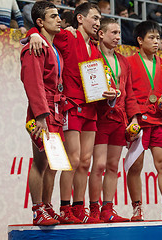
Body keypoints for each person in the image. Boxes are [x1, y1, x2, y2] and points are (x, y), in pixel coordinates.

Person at [28, 2, 116, 224]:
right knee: (71, 160)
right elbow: (43, 33)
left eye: (99, 20)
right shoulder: (67, 37)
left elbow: (96, 82)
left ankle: (79, 208)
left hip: (91, 109)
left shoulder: (95, 49)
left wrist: (109, 93)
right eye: (94, 18)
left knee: (85, 162)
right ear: (80, 19)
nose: (97, 23)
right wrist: (32, 34)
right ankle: (64, 207)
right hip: (70, 106)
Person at [126, 20, 162, 221]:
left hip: (158, 119)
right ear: (140, 40)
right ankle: (137, 208)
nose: (156, 41)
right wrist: (131, 118)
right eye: (151, 37)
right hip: (138, 120)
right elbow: (126, 91)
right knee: (135, 166)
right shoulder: (129, 62)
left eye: (158, 38)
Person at [88, 18, 141, 223]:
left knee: (112, 166)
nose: (118, 37)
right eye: (114, 33)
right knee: (99, 165)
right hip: (100, 116)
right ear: (101, 34)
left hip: (119, 118)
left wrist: (134, 118)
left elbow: (128, 93)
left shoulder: (123, 61)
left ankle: (107, 209)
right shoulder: (92, 54)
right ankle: (93, 209)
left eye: (119, 33)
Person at [20, 1, 64, 226]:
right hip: (43, 112)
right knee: (39, 162)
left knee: (50, 163)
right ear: (40, 22)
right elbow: (33, 83)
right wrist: (40, 116)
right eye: (53, 16)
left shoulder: (52, 46)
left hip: (55, 111)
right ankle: (37, 209)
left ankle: (46, 206)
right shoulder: (34, 47)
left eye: (59, 15)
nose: (59, 19)